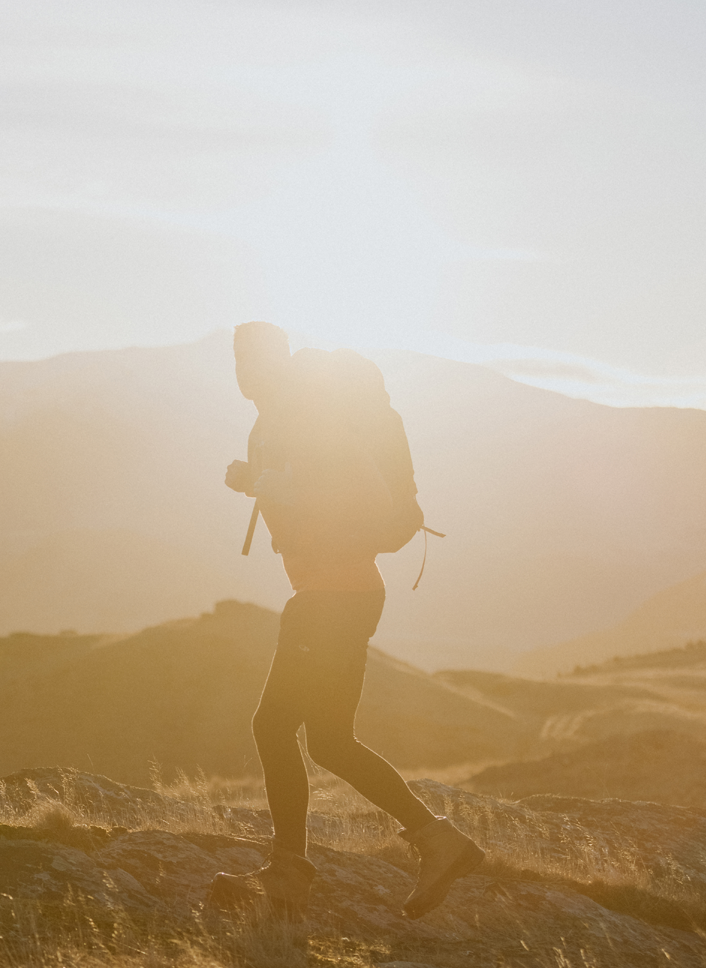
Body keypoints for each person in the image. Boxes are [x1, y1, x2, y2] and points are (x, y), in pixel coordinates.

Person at [209, 321, 483, 921]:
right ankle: (439, 841)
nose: (244, 370)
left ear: (280, 360)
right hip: (336, 592)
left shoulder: (311, 417)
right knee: (331, 742)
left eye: (256, 357)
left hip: (335, 595)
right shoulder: (272, 424)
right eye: (237, 358)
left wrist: (266, 483)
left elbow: (367, 499)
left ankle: (288, 874)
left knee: (273, 727)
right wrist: (261, 483)